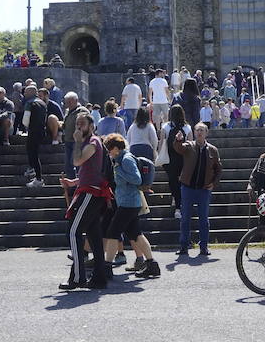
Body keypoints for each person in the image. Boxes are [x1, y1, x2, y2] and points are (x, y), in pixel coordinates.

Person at [59, 114, 110, 290]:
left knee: (73, 232)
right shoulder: (90, 142)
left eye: (83, 123)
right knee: (94, 237)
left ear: (91, 126)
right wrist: (72, 182)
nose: (79, 126)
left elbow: (77, 160)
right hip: (90, 190)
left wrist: (78, 142)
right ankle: (99, 278)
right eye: (77, 124)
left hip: (91, 193)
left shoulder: (93, 142)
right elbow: (88, 171)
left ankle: (78, 278)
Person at [102, 134, 161, 279]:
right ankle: (152, 264)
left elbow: (136, 179)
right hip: (129, 203)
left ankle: (107, 267)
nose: (108, 153)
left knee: (112, 233)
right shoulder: (120, 159)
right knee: (136, 234)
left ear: (116, 148)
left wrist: (119, 170)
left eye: (109, 150)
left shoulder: (126, 160)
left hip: (128, 203)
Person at [173, 122, 221, 256]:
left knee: (203, 219)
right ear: (194, 133)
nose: (199, 132)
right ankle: (184, 246)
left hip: (204, 190)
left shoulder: (213, 150)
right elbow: (178, 148)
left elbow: (218, 169)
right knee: (185, 218)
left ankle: (204, 246)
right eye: (197, 130)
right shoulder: (189, 146)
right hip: (187, 188)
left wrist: (213, 183)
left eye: (202, 130)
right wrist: (178, 139)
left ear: (206, 133)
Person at [162, 105, 191, 219]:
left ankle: (175, 198)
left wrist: (159, 155)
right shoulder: (187, 127)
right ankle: (179, 206)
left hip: (169, 158)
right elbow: (190, 143)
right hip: (183, 158)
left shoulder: (165, 127)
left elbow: (162, 143)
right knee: (181, 182)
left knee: (172, 180)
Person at [60, 92, 89, 180]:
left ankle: (81, 184)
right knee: (68, 165)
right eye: (67, 102)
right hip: (68, 141)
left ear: (76, 101)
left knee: (76, 164)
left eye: (70, 101)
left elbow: (87, 124)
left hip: (77, 142)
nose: (68, 104)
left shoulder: (82, 111)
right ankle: (72, 187)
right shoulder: (68, 112)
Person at [23, 85, 47, 188]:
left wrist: (27, 127)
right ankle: (35, 173)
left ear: (30, 93)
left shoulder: (29, 103)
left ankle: (38, 178)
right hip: (41, 130)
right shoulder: (43, 103)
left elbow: (25, 120)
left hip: (33, 131)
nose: (24, 94)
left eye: (26, 92)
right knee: (34, 152)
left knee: (33, 153)